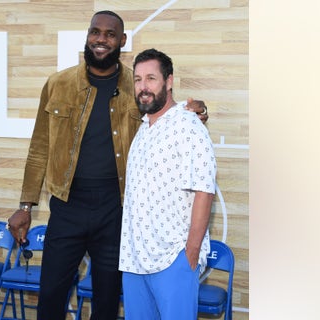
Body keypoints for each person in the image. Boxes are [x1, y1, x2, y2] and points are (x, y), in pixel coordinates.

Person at [6, 11, 209, 320]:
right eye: (95, 32)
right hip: (66, 204)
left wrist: (195, 110)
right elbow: (39, 148)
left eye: (110, 34)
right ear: (87, 36)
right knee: (50, 294)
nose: (101, 39)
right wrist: (25, 204)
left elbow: (166, 112)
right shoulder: (57, 84)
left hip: (116, 209)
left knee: (107, 297)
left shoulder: (137, 84)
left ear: (122, 41)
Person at [118, 48, 217, 320]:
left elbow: (204, 191)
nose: (143, 87)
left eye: (151, 78)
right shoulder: (143, 127)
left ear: (169, 81)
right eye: (137, 80)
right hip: (134, 258)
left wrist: (190, 255)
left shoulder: (188, 125)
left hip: (173, 259)